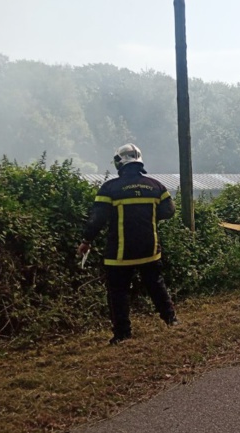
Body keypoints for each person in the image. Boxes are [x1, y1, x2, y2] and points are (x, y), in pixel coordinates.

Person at [77, 143, 179, 345]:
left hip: (119, 254)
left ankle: (123, 333)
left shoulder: (110, 189)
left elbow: (97, 219)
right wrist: (146, 216)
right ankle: (171, 319)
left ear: (119, 163)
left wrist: (86, 241)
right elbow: (169, 211)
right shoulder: (156, 186)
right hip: (150, 250)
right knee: (156, 285)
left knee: (118, 292)